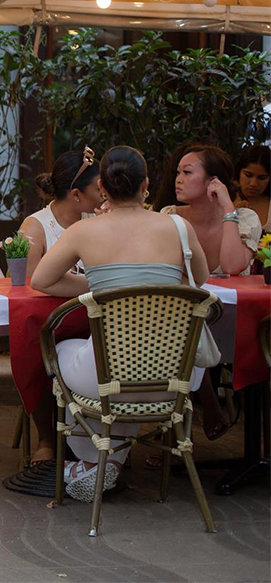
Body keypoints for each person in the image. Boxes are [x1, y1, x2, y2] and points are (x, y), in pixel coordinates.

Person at [32, 146, 210, 502]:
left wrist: (102, 286)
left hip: (108, 379)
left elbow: (41, 280)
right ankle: (105, 462)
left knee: (71, 352)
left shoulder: (86, 232)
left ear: (103, 187)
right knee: (124, 362)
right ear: (146, 184)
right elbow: (199, 279)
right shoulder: (178, 226)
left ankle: (94, 462)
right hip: (174, 378)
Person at [17, 147, 103, 462]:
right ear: (77, 195)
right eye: (98, 188)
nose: (104, 192)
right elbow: (29, 285)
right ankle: (46, 439)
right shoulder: (35, 226)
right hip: (53, 319)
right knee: (35, 344)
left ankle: (105, 434)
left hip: (97, 316)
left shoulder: (102, 220)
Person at [158, 144, 259, 275]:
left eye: (187, 172)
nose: (178, 180)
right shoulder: (170, 216)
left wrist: (228, 208)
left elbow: (232, 267)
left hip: (231, 296)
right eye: (178, 173)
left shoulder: (245, 219)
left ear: (213, 181)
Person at [232, 144, 270, 234]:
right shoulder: (225, 199)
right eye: (248, 175)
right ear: (239, 172)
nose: (253, 183)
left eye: (262, 178)